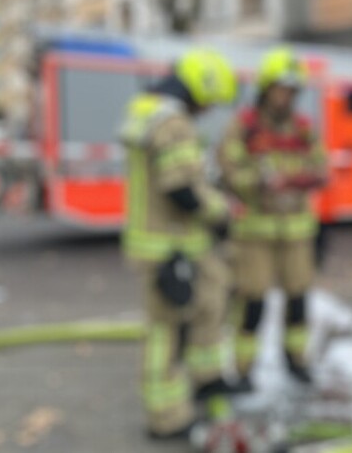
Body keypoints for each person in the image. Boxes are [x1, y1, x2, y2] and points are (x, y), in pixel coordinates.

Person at [119, 49, 238, 439]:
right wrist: (219, 214)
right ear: (199, 88)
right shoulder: (171, 122)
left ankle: (207, 379)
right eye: (210, 101)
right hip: (168, 247)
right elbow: (181, 189)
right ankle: (167, 417)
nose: (208, 110)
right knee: (166, 332)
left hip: (183, 242)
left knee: (211, 302)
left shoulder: (151, 112)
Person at [217, 47, 327, 388]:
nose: (288, 97)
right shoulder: (244, 128)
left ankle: (296, 361)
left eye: (293, 90)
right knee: (253, 302)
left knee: (298, 300)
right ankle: (244, 369)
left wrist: (296, 180)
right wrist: (260, 182)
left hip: (296, 231)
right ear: (266, 88)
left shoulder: (304, 129)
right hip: (254, 233)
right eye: (282, 88)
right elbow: (230, 171)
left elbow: (322, 169)